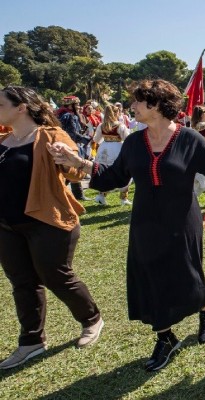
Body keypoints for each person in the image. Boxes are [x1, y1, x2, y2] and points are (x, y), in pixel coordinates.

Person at [49, 79, 205, 371]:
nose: (133, 106)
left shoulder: (190, 138)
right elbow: (113, 177)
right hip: (144, 221)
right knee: (152, 277)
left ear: (156, 106)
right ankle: (165, 337)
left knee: (189, 273)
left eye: (140, 101)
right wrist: (77, 161)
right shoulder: (133, 142)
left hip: (183, 219)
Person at [0, 86, 103, 370]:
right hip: (7, 226)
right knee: (22, 283)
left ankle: (92, 320)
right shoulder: (3, 140)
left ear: (21, 108)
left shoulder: (52, 137)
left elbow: (76, 171)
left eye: (1, 104)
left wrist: (66, 158)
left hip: (49, 222)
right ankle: (31, 341)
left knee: (56, 276)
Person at [92, 104, 132, 206]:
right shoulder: (120, 126)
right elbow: (127, 138)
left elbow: (96, 139)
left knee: (104, 171)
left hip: (104, 149)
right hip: (117, 148)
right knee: (123, 171)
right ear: (116, 113)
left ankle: (101, 195)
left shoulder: (101, 125)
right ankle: (123, 198)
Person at [56, 96, 90, 201]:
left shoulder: (60, 115)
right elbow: (72, 134)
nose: (78, 107)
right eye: (77, 105)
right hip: (71, 145)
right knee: (73, 170)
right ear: (71, 105)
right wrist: (86, 139)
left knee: (66, 171)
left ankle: (74, 195)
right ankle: (75, 195)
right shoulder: (70, 116)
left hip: (62, 144)